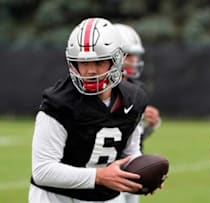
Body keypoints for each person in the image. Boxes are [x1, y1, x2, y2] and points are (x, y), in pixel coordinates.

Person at [29, 17, 149, 203]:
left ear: (115, 60)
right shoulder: (59, 103)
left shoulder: (133, 99)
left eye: (98, 62)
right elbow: (42, 170)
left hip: (107, 197)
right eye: (83, 63)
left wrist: (145, 173)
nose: (90, 71)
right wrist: (99, 176)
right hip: (57, 198)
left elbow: (131, 153)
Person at [113, 23, 161, 203]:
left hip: (132, 167)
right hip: (106, 169)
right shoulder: (102, 91)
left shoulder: (137, 89)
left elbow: (136, 136)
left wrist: (151, 123)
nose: (134, 60)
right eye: (129, 55)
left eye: (135, 56)